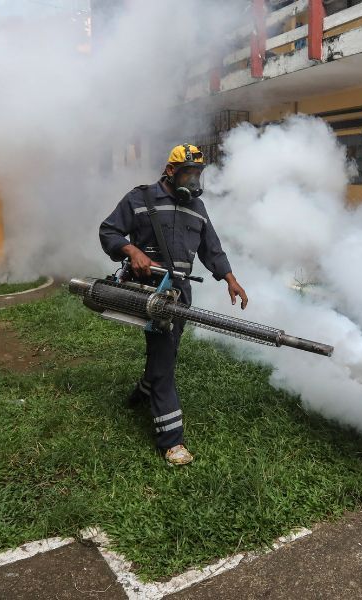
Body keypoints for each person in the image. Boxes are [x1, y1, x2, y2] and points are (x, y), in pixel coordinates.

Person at [98, 144, 248, 466]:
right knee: (165, 355)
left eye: (197, 174)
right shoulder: (140, 198)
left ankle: (144, 390)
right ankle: (172, 441)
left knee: (166, 351)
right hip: (149, 290)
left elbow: (212, 248)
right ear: (170, 171)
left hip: (180, 292)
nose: (193, 180)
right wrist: (132, 252)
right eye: (187, 173)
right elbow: (109, 231)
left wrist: (230, 279)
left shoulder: (198, 207)